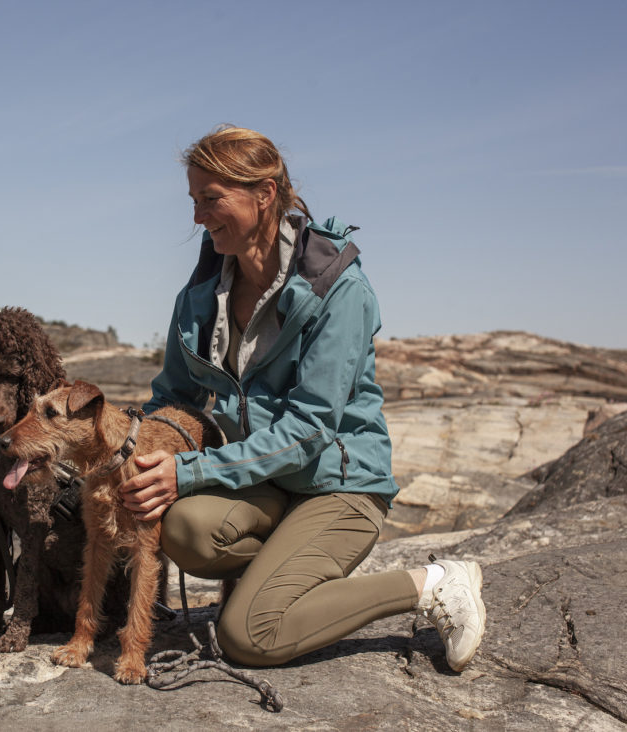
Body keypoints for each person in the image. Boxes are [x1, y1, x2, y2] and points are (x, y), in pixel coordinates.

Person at [119, 126, 486, 672]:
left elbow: (310, 429)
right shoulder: (200, 295)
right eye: (194, 201)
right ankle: (283, 569)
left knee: (250, 635)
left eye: (212, 199)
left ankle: (432, 584)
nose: (198, 217)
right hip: (263, 483)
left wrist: (188, 472)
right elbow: (173, 397)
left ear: (265, 194)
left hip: (338, 486)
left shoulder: (338, 288)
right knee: (185, 530)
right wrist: (136, 453)